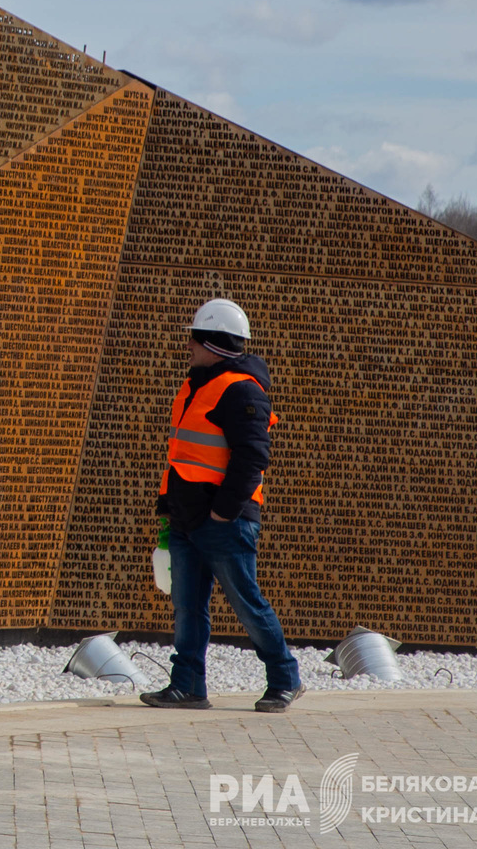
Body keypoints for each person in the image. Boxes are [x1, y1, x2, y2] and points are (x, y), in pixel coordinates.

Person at [142, 297, 300, 714]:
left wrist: (223, 512)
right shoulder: (196, 383)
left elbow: (252, 458)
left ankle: (285, 679)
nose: (188, 346)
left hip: (223, 519)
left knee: (247, 604)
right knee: (187, 606)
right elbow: (180, 454)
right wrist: (167, 507)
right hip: (187, 516)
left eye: (194, 339)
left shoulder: (241, 390)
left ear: (214, 342)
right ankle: (188, 686)